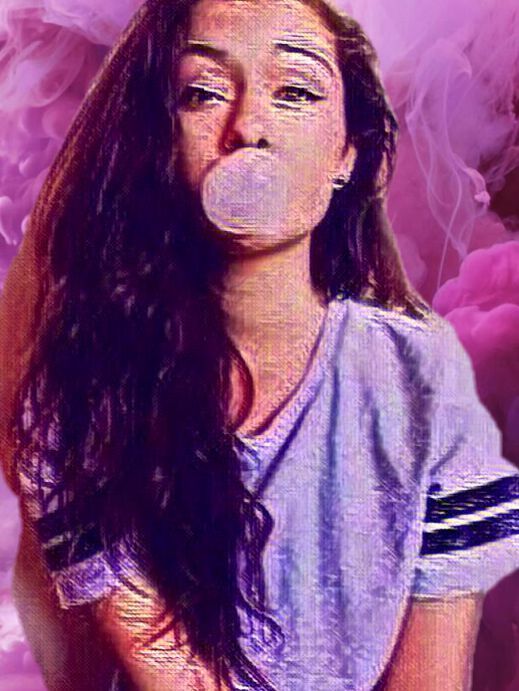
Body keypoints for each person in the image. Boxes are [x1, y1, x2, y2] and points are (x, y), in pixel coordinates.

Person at [1, 0, 518, 689]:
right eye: (202, 92)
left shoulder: (418, 375)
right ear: (159, 141)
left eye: (296, 92)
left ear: (346, 153)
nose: (247, 126)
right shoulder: (83, 402)